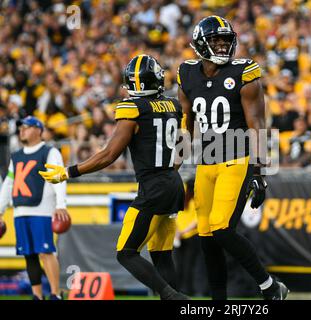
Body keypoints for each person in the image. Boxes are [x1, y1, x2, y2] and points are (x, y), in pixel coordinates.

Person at [39, 55, 188, 300]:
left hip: (153, 187)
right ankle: (173, 298)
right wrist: (170, 172)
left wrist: (69, 172)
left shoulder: (133, 108)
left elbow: (108, 155)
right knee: (162, 253)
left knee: (126, 252)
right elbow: (184, 144)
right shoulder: (172, 106)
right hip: (173, 182)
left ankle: (174, 298)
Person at [177, 15, 288, 300]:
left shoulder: (244, 71)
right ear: (201, 43)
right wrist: (174, 164)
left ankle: (269, 286)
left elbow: (257, 125)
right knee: (206, 238)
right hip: (206, 161)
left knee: (222, 229)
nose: (223, 46)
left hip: (237, 159)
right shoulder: (187, 73)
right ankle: (219, 302)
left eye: (226, 41)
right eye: (216, 40)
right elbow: (186, 123)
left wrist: (260, 173)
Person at [0, 116, 69, 300]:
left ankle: (55, 293)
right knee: (29, 255)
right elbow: (9, 183)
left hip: (42, 210)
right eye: (21, 127)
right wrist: (0, 210)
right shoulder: (16, 155)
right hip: (20, 210)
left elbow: (58, 178)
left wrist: (61, 204)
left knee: (46, 251)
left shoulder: (49, 152)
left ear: (39, 130)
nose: (22, 130)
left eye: (27, 127)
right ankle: (37, 295)